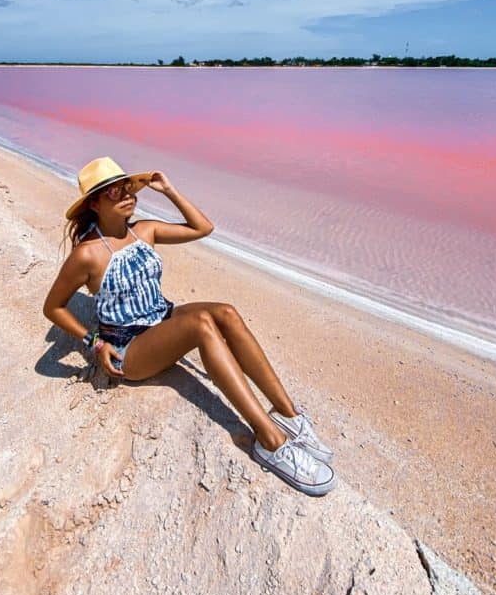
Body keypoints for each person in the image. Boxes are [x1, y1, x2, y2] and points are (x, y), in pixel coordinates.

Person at [43, 157, 335, 497]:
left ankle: (288, 415)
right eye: (114, 192)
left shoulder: (145, 230)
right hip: (129, 348)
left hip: (161, 320)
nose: (126, 195)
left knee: (226, 313)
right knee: (200, 324)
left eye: (128, 187)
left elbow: (203, 228)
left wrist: (168, 190)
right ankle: (270, 441)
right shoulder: (87, 254)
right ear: (94, 203)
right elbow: (53, 307)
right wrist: (93, 341)